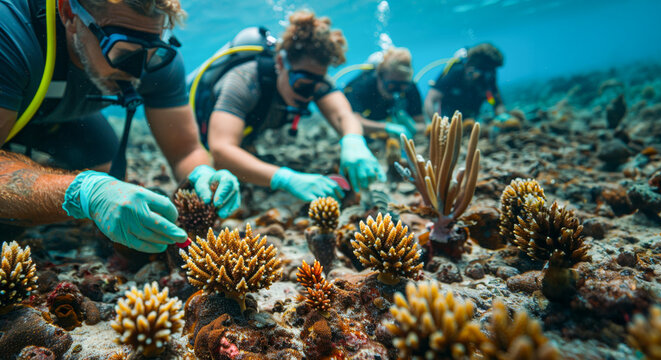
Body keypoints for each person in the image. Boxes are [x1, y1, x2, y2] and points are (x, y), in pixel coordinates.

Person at [0, 0, 241, 252]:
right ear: (69, 14)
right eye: (124, 54)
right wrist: (84, 193)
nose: (137, 74)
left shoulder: (158, 61)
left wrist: (203, 174)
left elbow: (186, 151)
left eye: (150, 54)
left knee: (111, 177)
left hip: (58, 119)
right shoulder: (9, 33)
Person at [202, 11, 384, 203]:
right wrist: (285, 178)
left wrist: (353, 140)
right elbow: (221, 150)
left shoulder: (313, 79)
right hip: (208, 131)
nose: (309, 95)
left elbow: (344, 116)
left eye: (318, 86)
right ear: (281, 63)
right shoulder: (244, 80)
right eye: (303, 85)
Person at [343, 47, 425, 139]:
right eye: (391, 85)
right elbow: (352, 121)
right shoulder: (360, 87)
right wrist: (386, 127)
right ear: (379, 77)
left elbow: (421, 123)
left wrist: (413, 127)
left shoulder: (410, 87)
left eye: (403, 85)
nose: (397, 91)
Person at [424, 43, 510, 122]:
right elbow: (430, 100)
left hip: (471, 116)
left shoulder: (488, 77)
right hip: (448, 116)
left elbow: (497, 103)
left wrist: (503, 118)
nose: (477, 76)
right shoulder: (456, 72)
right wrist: (439, 125)